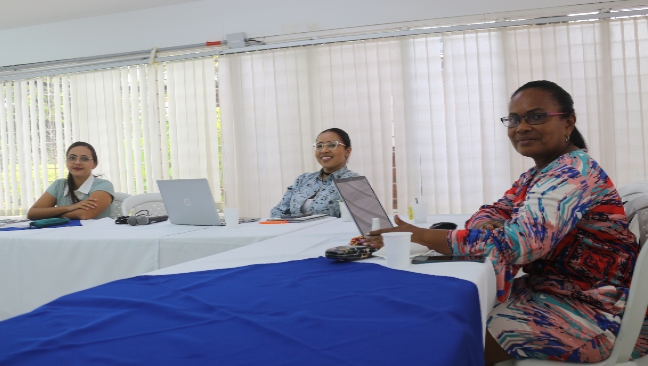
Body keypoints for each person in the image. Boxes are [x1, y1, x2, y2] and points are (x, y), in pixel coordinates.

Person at [362, 81, 640, 364]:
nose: (521, 127)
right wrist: (485, 226)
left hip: (595, 312)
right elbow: (492, 210)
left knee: (445, 341)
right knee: (444, 313)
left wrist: (420, 235)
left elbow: (518, 245)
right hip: (552, 292)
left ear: (568, 122)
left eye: (536, 116)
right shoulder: (539, 173)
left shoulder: (573, 173)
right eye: (514, 119)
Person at [270, 128, 360, 218]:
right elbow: (277, 212)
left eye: (332, 145)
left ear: (347, 151)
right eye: (319, 146)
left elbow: (362, 222)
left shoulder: (353, 182)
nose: (324, 150)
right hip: (295, 230)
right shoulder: (303, 179)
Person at [27, 141, 114, 220]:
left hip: (97, 235)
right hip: (64, 234)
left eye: (84, 159)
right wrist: (71, 207)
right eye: (72, 158)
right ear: (66, 162)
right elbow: (32, 213)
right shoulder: (59, 185)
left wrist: (50, 214)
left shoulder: (104, 185)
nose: (77, 162)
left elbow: (84, 214)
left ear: (94, 164)